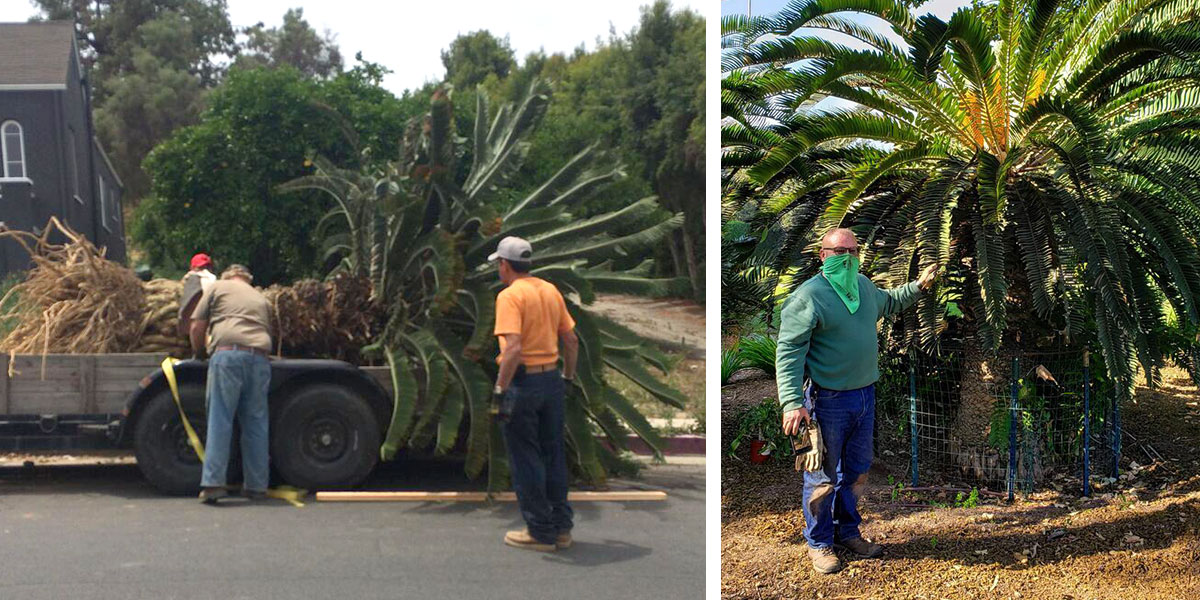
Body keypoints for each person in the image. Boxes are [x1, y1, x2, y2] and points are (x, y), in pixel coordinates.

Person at [776, 228, 937, 574]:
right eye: (839, 252)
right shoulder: (810, 296)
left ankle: (848, 532)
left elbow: (889, 301)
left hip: (865, 396)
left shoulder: (862, 287)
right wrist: (792, 401)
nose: (847, 257)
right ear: (822, 256)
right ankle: (819, 543)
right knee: (821, 477)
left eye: (853, 250)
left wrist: (919, 286)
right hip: (826, 401)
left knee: (856, 473)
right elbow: (789, 350)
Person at [489, 236, 579, 552]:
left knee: (525, 457)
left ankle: (540, 532)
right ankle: (562, 528)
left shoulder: (510, 297)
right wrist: (567, 377)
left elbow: (512, 348)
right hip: (552, 381)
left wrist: (500, 389)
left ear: (504, 264)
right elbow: (571, 341)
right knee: (553, 453)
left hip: (523, 384)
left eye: (497, 264)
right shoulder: (549, 291)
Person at [188, 264, 274, 504]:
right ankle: (257, 487)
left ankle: (214, 484)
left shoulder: (218, 287)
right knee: (256, 422)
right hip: (259, 357)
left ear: (228, 277)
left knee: (221, 418)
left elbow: (196, 325)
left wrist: (198, 353)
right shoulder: (261, 297)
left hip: (228, 355)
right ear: (248, 280)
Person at [178, 253, 218, 339]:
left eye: (205, 268)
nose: (204, 271)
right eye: (201, 268)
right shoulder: (211, 280)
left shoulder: (188, 280)